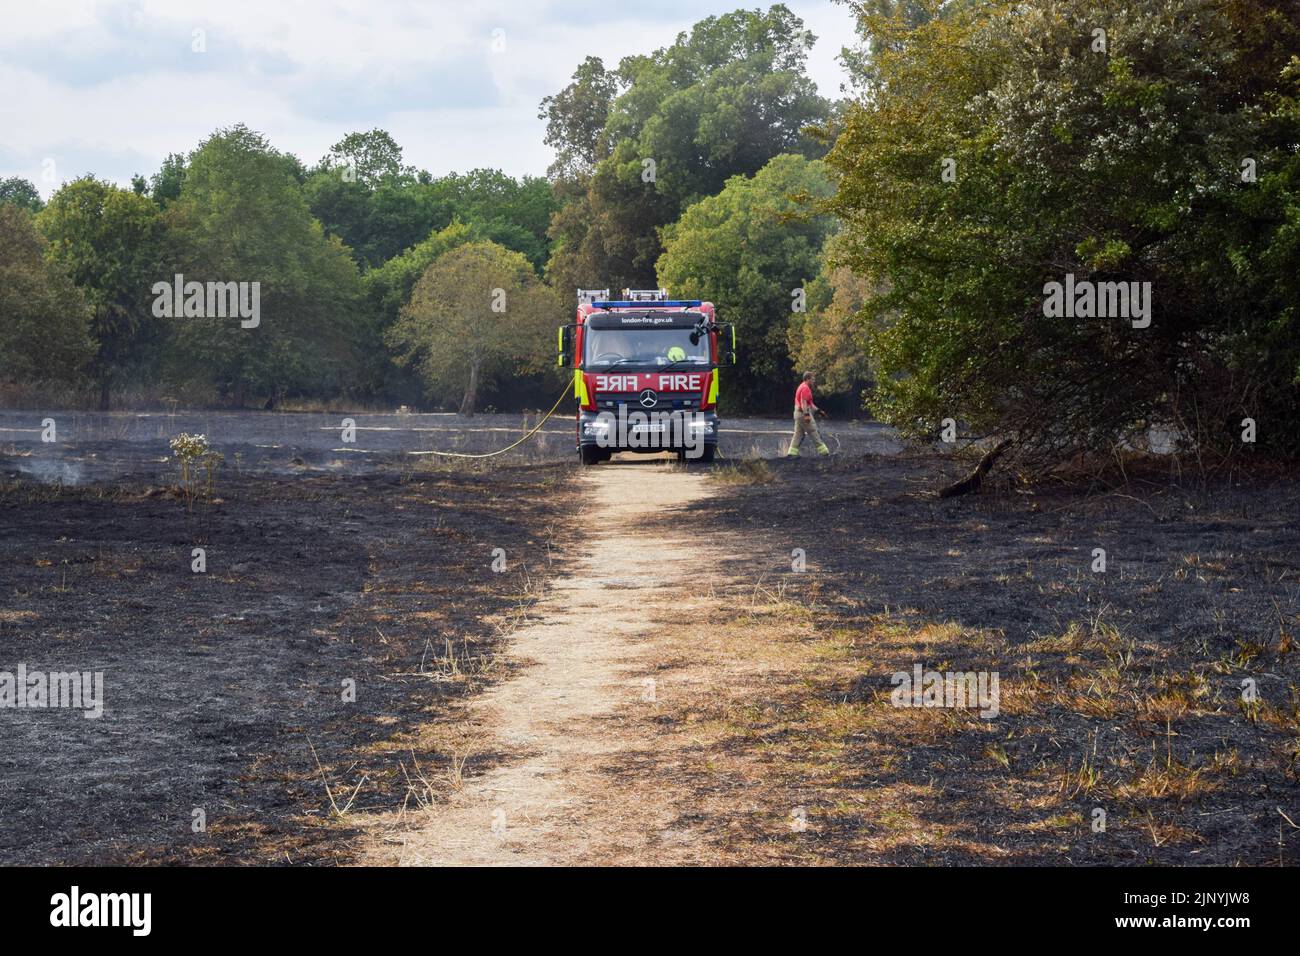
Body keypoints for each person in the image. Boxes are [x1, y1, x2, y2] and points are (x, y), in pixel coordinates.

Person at [786, 371, 829, 457]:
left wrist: (819, 411)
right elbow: (803, 402)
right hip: (803, 413)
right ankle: (825, 453)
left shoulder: (802, 386)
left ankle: (791, 454)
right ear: (807, 379)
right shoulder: (805, 388)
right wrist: (806, 415)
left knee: (798, 434)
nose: (814, 381)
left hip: (798, 414)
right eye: (812, 379)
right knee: (813, 431)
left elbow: (810, 404)